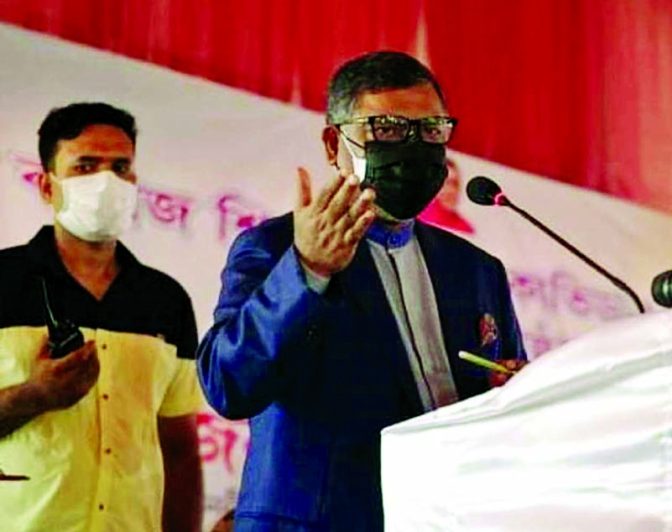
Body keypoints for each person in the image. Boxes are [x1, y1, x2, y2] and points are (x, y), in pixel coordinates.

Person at [197, 51, 527, 531]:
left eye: (430, 130)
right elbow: (227, 385)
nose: (412, 147)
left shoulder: (475, 270)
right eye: (388, 130)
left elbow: (502, 392)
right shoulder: (274, 248)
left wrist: (515, 391)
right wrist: (307, 271)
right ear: (335, 143)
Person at [0, 102, 204, 531]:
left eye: (120, 167)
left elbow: (180, 452)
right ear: (46, 186)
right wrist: (34, 395)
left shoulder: (165, 300)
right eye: (85, 166)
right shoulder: (4, 280)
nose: (105, 182)